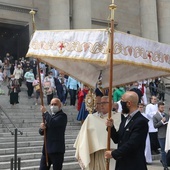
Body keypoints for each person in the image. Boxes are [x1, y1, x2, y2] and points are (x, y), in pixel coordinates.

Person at [74, 96, 121, 169]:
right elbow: (85, 137)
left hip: (112, 153)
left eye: (104, 103)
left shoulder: (118, 117)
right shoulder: (92, 118)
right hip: (97, 153)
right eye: (100, 103)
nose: (101, 105)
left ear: (111, 104)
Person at [105, 91, 148, 170]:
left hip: (134, 165)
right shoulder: (125, 119)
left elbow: (132, 144)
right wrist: (111, 128)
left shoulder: (141, 121)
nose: (121, 103)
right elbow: (118, 139)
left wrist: (114, 154)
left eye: (122, 101)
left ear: (129, 104)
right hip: (122, 164)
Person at [39, 98, 67, 170]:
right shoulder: (51, 117)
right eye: (52, 104)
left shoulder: (62, 116)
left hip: (57, 150)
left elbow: (53, 123)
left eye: (55, 104)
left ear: (60, 105)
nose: (53, 106)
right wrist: (42, 128)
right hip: (46, 150)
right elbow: (42, 132)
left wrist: (45, 112)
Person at [153, 102, 169, 170]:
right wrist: (162, 122)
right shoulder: (155, 116)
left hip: (168, 135)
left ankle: (164, 161)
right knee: (163, 151)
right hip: (161, 135)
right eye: (161, 107)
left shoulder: (166, 115)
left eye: (163, 107)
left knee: (167, 150)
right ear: (158, 107)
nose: (163, 108)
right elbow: (155, 126)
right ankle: (165, 166)